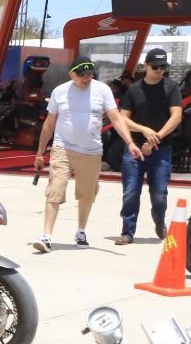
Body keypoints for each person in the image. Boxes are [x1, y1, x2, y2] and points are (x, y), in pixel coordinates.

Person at [31, 56, 139, 251]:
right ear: (71, 74)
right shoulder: (60, 91)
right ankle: (46, 236)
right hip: (63, 148)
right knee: (55, 189)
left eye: (90, 74)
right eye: (83, 75)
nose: (87, 78)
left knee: (87, 194)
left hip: (91, 151)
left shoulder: (102, 90)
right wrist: (40, 153)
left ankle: (81, 231)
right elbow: (49, 123)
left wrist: (130, 142)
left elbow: (116, 118)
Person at [115, 48, 183, 244]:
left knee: (159, 194)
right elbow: (122, 118)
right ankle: (127, 232)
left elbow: (176, 116)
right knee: (131, 192)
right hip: (135, 149)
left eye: (163, 66)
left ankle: (159, 221)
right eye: (155, 66)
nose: (160, 70)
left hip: (161, 148)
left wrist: (155, 138)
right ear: (145, 66)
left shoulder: (171, 87)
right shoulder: (134, 90)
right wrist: (143, 130)